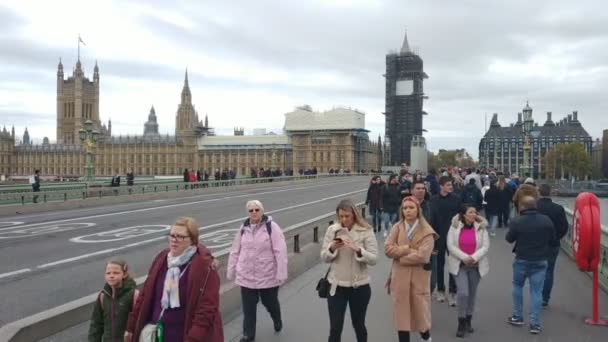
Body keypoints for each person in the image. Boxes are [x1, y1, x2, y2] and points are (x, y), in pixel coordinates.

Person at [125, 217, 223, 342]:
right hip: (156, 334)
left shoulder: (205, 267)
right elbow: (144, 296)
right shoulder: (161, 259)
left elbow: (207, 310)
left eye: (180, 237)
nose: (174, 240)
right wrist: (131, 327)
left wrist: (193, 338)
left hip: (183, 335)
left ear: (192, 240)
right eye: (171, 235)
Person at [227, 200, 288, 342]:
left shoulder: (272, 227)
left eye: (257, 209)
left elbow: (280, 251)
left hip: (267, 275)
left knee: (270, 302)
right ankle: (248, 335)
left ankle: (276, 318)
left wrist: (281, 273)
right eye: (251, 210)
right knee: (248, 308)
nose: (254, 212)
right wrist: (231, 270)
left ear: (262, 211)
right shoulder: (243, 228)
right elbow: (235, 250)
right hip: (246, 275)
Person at [321, 199, 378, 342]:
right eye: (341, 216)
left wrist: (358, 250)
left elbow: (374, 258)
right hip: (336, 286)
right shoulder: (332, 230)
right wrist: (332, 248)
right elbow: (324, 257)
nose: (344, 219)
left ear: (354, 214)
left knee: (358, 325)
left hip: (359, 287)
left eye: (347, 216)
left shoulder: (366, 230)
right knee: (335, 328)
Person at [385, 196, 437, 342]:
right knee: (402, 317)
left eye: (411, 207)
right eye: (405, 208)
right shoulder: (397, 227)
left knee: (421, 314)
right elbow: (388, 249)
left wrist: (401, 257)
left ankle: (426, 338)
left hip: (419, 277)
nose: (408, 211)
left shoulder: (426, 230)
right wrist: (407, 248)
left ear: (418, 210)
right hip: (400, 278)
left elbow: (423, 256)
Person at [505, 196, 555, 335]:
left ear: (522, 207)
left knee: (517, 286)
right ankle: (535, 324)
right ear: (536, 206)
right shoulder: (546, 220)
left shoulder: (517, 221)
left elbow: (509, 239)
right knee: (536, 292)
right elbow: (553, 239)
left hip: (522, 259)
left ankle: (518, 316)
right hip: (540, 260)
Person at [447, 205, 490, 338]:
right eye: (470, 212)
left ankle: (468, 320)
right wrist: (464, 257)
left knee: (472, 294)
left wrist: (474, 257)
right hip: (460, 265)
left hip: (476, 266)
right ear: (464, 215)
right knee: (463, 293)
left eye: (475, 212)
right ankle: (461, 321)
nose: (473, 214)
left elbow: (485, 246)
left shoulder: (481, 228)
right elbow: (450, 245)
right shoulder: (454, 227)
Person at [88, 259, 138, 342]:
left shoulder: (133, 295)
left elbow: (139, 322)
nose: (111, 276)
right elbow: (96, 324)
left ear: (124, 274)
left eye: (116, 273)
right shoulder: (103, 296)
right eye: (108, 273)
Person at [430, 176, 462, 306]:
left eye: (451, 185)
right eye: (448, 185)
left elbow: (461, 217)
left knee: (454, 265)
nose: (451, 187)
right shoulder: (433, 200)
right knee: (439, 265)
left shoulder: (456, 199)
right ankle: (441, 290)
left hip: (453, 237)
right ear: (441, 186)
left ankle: (453, 292)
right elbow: (431, 219)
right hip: (438, 237)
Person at [536, 184, 569, 307]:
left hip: (536, 244)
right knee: (549, 271)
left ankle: (536, 295)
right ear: (550, 193)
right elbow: (564, 227)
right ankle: (545, 298)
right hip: (552, 244)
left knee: (536, 270)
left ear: (539, 193)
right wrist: (556, 237)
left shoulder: (534, 207)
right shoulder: (558, 208)